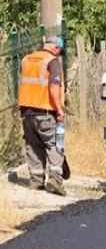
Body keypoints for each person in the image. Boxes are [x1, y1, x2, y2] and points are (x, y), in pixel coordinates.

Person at [18, 36, 66, 196]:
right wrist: (59, 109)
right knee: (54, 144)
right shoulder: (52, 61)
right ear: (56, 48)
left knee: (33, 146)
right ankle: (55, 180)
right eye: (60, 51)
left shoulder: (26, 59)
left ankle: (36, 181)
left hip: (26, 112)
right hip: (45, 111)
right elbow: (53, 87)